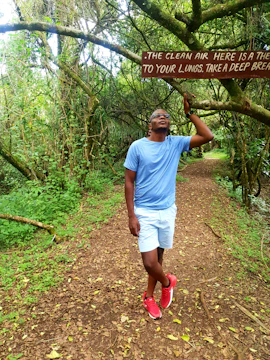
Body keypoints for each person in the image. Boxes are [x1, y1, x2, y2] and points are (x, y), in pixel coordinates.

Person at [124, 93, 214, 320]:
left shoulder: (175, 144)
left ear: (169, 124)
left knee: (159, 256)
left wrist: (189, 112)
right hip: (144, 212)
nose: (163, 117)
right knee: (149, 261)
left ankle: (149, 297)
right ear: (150, 124)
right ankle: (167, 281)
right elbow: (128, 181)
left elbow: (207, 135)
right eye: (158, 116)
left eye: (167, 116)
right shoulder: (137, 147)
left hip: (167, 211)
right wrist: (131, 216)